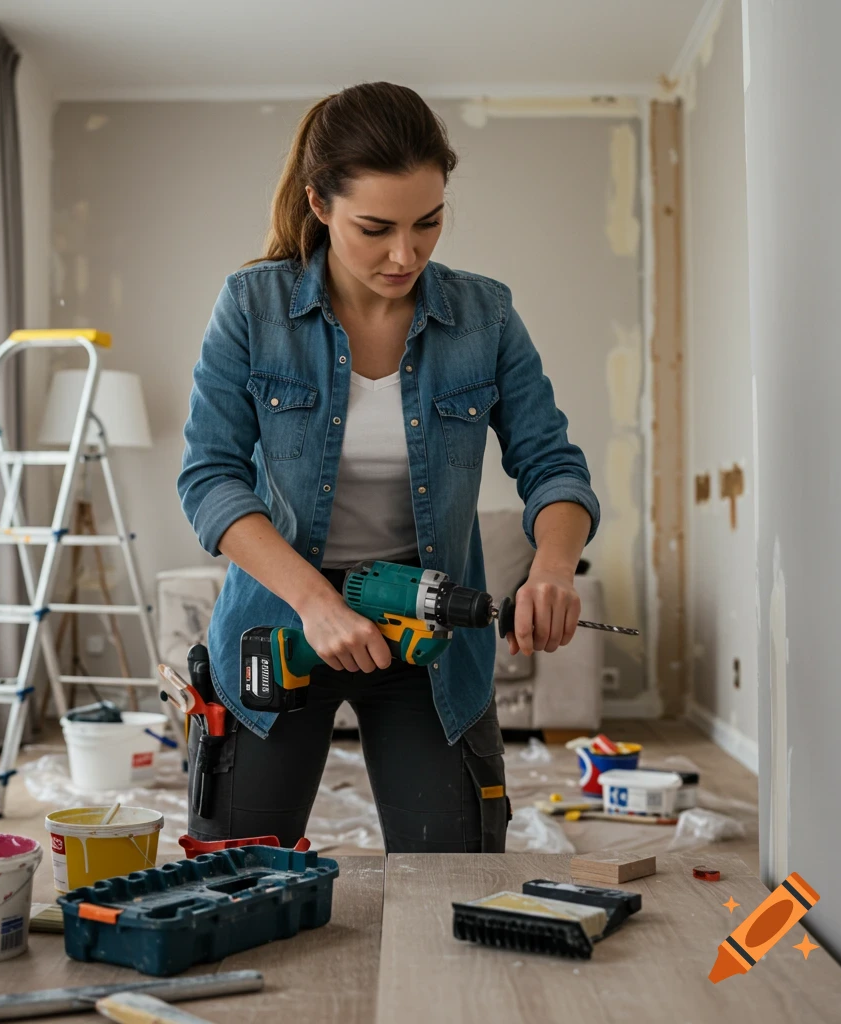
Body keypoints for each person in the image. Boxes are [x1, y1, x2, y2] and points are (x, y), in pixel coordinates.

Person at [178, 82, 599, 853]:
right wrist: (316, 604)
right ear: (319, 203)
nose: (405, 254)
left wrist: (555, 566)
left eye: (428, 222)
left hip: (426, 627)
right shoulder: (252, 307)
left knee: (454, 880)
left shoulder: (487, 317)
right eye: (376, 228)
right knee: (233, 882)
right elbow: (210, 478)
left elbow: (552, 463)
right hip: (283, 623)